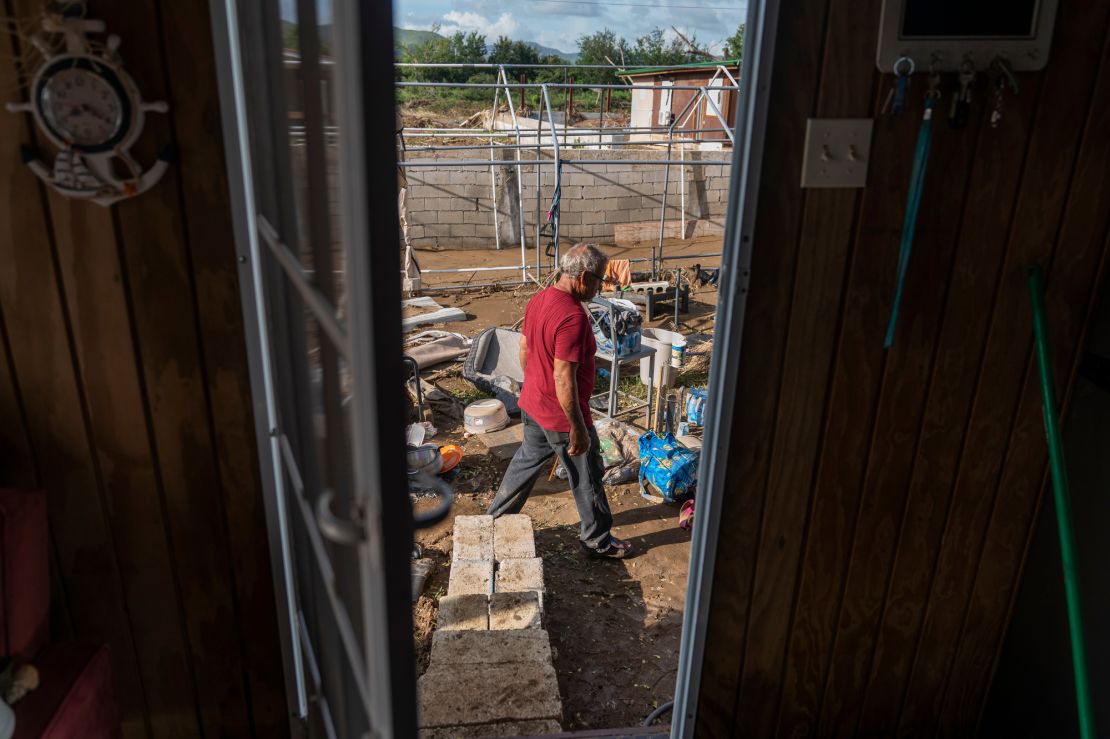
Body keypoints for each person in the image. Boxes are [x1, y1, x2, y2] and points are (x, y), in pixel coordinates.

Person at [486, 243, 634, 559]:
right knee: (587, 474)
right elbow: (564, 377)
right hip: (561, 415)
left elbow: (525, 349)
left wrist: (536, 386)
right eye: (599, 279)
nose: (600, 287)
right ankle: (597, 540)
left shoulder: (541, 299)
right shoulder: (572, 317)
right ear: (582, 277)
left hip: (533, 403)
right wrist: (577, 428)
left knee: (526, 463)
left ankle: (493, 521)